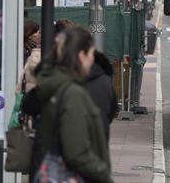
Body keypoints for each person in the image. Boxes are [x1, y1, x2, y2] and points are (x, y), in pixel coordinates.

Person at [34, 27, 112, 182]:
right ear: (81, 55)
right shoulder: (73, 93)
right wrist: (103, 174)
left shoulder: (55, 85)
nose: (92, 60)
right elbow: (76, 152)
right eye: (91, 54)